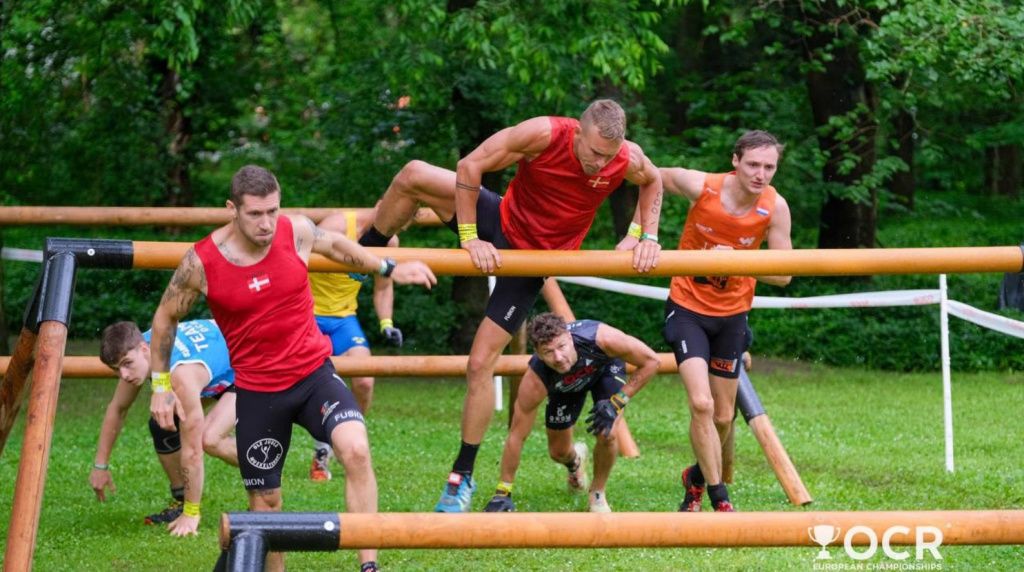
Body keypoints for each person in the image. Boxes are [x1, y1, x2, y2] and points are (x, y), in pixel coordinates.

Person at [356, 99, 664, 512]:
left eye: (608, 156)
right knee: (412, 173)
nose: (599, 164)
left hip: (531, 261)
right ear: (577, 131)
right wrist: (469, 236)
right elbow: (470, 166)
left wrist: (643, 234)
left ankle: (461, 475)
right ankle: (361, 258)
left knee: (479, 363)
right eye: (593, 153)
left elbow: (654, 180)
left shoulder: (624, 157)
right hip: (500, 220)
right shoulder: (543, 133)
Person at [148, 164, 436, 572]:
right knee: (268, 505)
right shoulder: (202, 262)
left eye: (272, 211)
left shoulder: (294, 229)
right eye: (255, 214)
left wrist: (387, 268)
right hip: (258, 392)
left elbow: (335, 245)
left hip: (313, 374)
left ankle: (369, 567)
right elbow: (165, 319)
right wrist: (160, 385)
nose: (267, 224)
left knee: (355, 449)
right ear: (232, 209)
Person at [652, 130, 792, 512]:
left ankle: (694, 476)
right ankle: (718, 498)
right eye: (753, 164)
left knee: (724, 415)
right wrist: (642, 233)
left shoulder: (775, 207)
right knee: (701, 403)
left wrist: (732, 258)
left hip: (732, 315)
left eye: (769, 167)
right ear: (735, 161)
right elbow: (649, 175)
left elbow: (784, 274)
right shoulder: (702, 186)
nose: (760, 174)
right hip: (687, 309)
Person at [483, 313, 660, 513]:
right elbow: (517, 435)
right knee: (558, 452)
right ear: (538, 354)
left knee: (607, 433)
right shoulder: (536, 379)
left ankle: (597, 494)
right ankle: (575, 462)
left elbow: (652, 361)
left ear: (569, 338)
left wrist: (618, 401)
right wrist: (502, 492)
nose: (558, 357)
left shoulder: (602, 338)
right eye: (548, 352)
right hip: (565, 385)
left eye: (561, 347)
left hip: (604, 370)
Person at [90, 319, 237, 535]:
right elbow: (118, 408)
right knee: (162, 422)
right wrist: (100, 465)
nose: (124, 375)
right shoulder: (141, 351)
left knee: (208, 439)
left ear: (143, 349)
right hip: (214, 364)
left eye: (127, 364)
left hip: (247, 368)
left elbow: (193, 451)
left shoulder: (180, 377)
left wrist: (192, 512)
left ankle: (264, 469)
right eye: (116, 369)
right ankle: (180, 502)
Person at [307, 208, 402, 482]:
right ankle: (321, 449)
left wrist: (386, 322)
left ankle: (346, 436)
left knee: (365, 381)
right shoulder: (336, 225)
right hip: (309, 313)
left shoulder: (390, 241)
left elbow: (383, 287)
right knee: (316, 383)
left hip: (344, 319)